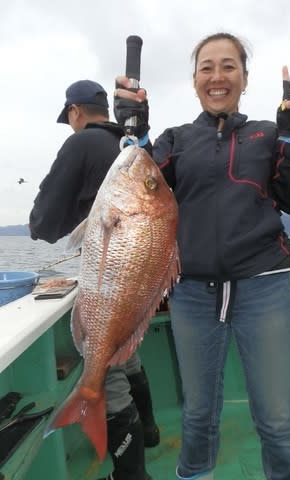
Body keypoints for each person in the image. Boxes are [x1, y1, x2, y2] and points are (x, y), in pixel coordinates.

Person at [114, 32, 290, 480]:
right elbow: (138, 184)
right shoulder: (176, 139)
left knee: (278, 420)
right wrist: (134, 130)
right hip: (193, 293)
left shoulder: (267, 134)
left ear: (244, 77)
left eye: (228, 66)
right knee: (197, 416)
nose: (217, 76)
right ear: (194, 80)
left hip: (264, 285)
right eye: (207, 67)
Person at [29, 79, 159, 480]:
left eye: (68, 119)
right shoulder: (137, 150)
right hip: (135, 279)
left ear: (74, 112)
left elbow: (43, 223)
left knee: (107, 367)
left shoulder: (81, 143)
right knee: (128, 349)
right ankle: (150, 431)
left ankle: (130, 473)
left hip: (109, 276)